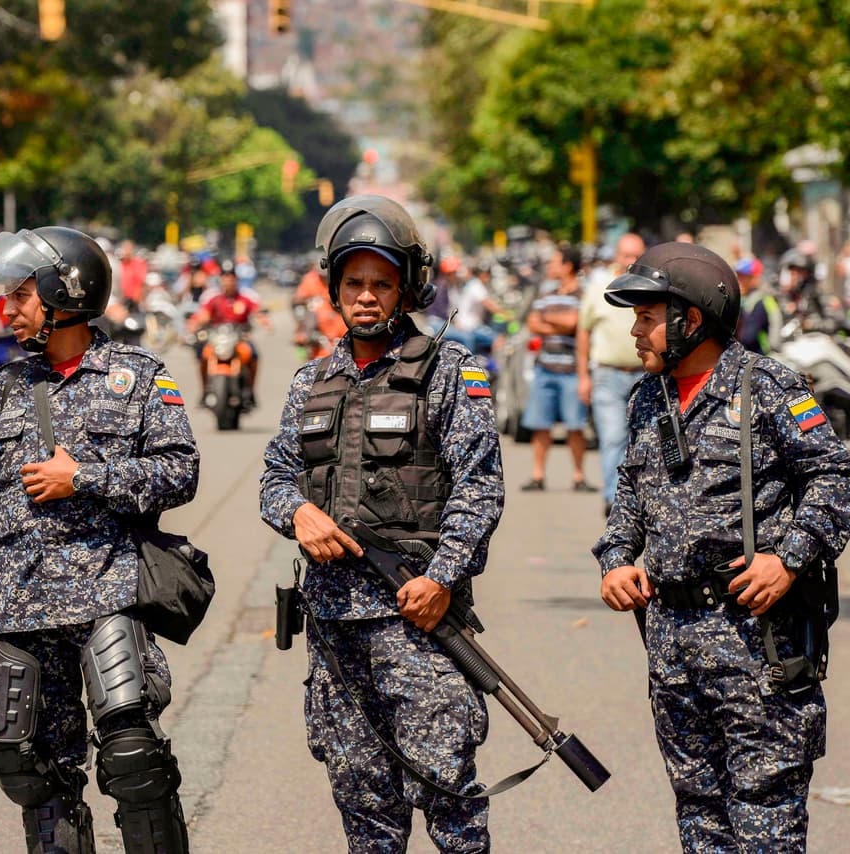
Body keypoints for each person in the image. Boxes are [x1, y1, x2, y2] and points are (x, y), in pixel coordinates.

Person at [594, 242, 850, 852]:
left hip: (755, 643)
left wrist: (788, 559)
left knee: (765, 819)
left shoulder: (768, 387)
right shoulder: (648, 397)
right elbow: (631, 494)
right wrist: (616, 560)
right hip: (672, 644)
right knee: (700, 816)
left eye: (647, 316)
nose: (634, 331)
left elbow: (837, 480)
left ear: (691, 320)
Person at [260, 195, 503, 852]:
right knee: (363, 802)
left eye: (381, 284)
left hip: (418, 620)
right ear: (334, 289)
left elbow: (479, 487)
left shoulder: (449, 372)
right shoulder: (311, 381)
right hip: (334, 627)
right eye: (353, 283)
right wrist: (297, 512)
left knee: (449, 798)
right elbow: (275, 476)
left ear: (406, 289)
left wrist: (443, 578)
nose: (365, 297)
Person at [0, 226, 199, 853]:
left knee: (135, 762)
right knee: (30, 773)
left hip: (105, 596)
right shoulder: (6, 387)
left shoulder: (138, 376)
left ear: (66, 293)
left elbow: (180, 471)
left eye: (21, 295)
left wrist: (84, 477)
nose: (7, 309)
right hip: (18, 608)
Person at [577, 233, 647, 516]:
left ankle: (640, 499)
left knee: (644, 439)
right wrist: (583, 376)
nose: (631, 260)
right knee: (613, 437)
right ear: (617, 256)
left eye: (636, 255)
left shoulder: (650, 288)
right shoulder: (598, 287)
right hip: (608, 375)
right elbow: (583, 332)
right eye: (627, 255)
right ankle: (614, 499)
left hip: (644, 375)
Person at [521, 243, 593, 491]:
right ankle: (538, 475)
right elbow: (532, 322)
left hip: (572, 371)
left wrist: (548, 319)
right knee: (540, 425)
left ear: (568, 265)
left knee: (575, 426)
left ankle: (578, 476)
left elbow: (575, 322)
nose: (550, 266)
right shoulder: (547, 293)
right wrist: (560, 323)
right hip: (545, 368)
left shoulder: (583, 295)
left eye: (554, 262)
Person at [187, 259, 269, 407]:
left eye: (230, 277)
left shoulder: (246, 296)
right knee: (203, 355)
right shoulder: (211, 296)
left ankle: (250, 391)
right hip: (216, 338)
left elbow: (258, 311)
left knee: (253, 355)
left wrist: (264, 321)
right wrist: (194, 324)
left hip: (240, 338)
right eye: (224, 277)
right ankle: (205, 390)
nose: (227, 281)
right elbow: (202, 314)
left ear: (236, 279)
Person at [735, 257, 783, 355]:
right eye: (738, 276)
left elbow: (748, 338)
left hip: (762, 355)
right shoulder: (746, 299)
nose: (739, 281)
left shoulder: (760, 301)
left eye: (743, 277)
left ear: (755, 278)